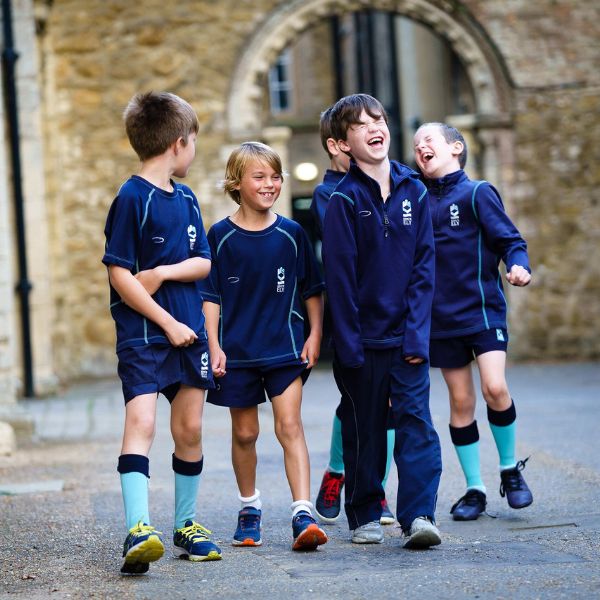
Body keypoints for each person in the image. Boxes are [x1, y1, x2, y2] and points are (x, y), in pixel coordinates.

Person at [102, 91, 222, 575]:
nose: (194, 150)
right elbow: (119, 274)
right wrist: (166, 321)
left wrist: (164, 273)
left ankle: (186, 524)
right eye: (193, 141)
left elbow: (204, 261)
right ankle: (138, 528)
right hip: (145, 337)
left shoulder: (188, 197)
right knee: (144, 425)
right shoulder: (131, 198)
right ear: (178, 143)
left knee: (189, 429)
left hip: (189, 334)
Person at [322, 94, 442, 548]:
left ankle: (419, 515)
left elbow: (424, 268)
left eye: (379, 119)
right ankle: (365, 511)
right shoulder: (343, 200)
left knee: (416, 424)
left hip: (406, 338)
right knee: (364, 429)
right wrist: (349, 346)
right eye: (361, 124)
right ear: (345, 144)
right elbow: (340, 278)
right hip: (361, 343)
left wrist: (417, 334)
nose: (375, 127)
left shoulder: (414, 189)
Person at [200, 141, 328, 551]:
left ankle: (303, 513)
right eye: (260, 177)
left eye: (276, 177)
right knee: (245, 432)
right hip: (236, 353)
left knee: (290, 426)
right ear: (236, 183)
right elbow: (211, 298)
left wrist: (315, 334)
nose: (271, 184)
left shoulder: (292, 234)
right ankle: (249, 507)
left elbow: (312, 290)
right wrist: (214, 346)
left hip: (285, 348)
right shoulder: (219, 237)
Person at [413, 122, 533, 521]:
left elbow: (510, 241)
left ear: (456, 148)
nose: (421, 147)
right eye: (416, 145)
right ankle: (475, 489)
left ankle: (509, 470)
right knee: (461, 402)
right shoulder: (414, 200)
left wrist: (518, 266)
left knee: (495, 388)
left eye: (429, 140)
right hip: (441, 320)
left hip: (482, 312)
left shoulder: (478, 193)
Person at [311, 106, 396, 526]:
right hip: (352, 312)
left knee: (390, 404)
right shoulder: (331, 193)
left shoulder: (392, 184)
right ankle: (337, 470)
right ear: (338, 145)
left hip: (389, 313)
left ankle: (376, 490)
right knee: (356, 403)